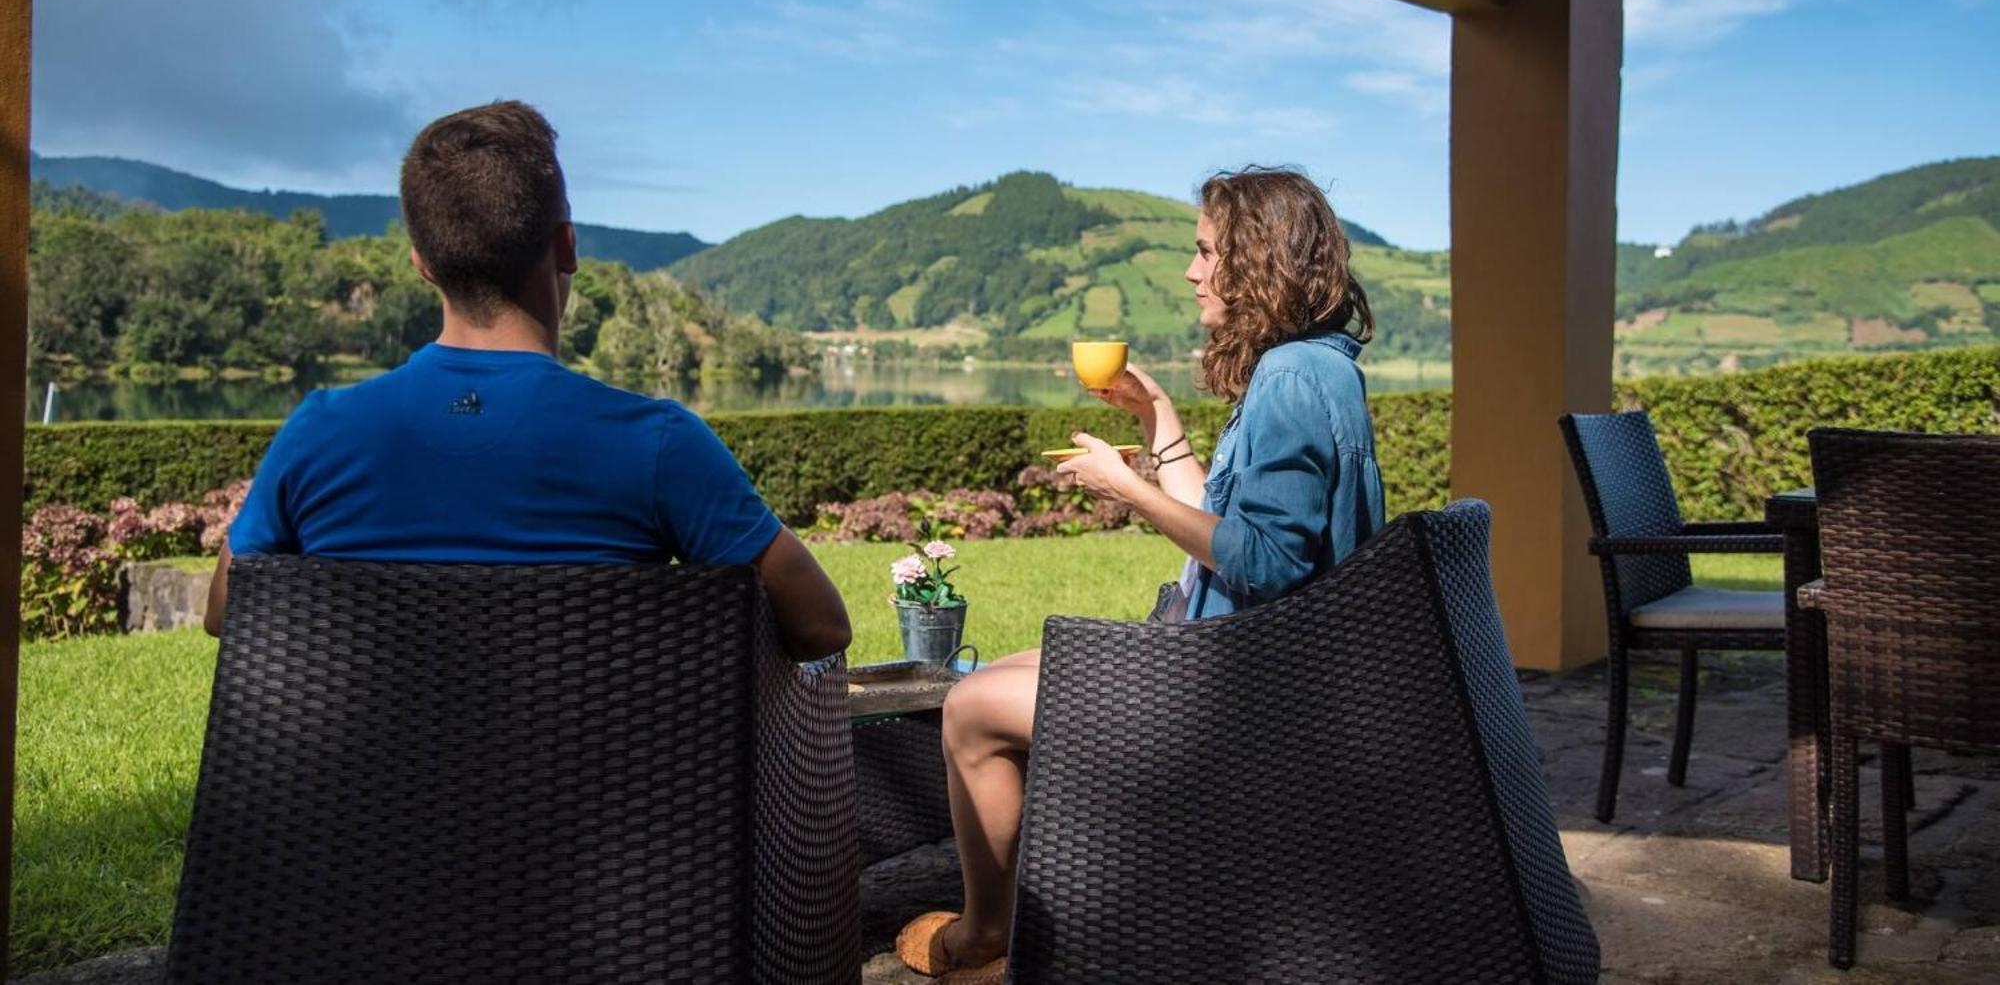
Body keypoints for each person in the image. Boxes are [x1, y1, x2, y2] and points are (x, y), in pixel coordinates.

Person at [896, 167, 1385, 983]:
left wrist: (1126, 489)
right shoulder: (1311, 365)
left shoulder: (1291, 380)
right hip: (1254, 661)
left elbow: (1263, 562)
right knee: (1009, 667)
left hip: (1238, 690)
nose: (1192, 271)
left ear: (1257, 258)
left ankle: (985, 937)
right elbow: (1232, 532)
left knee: (972, 704)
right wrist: (1158, 418)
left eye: (1205, 252)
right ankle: (1028, 909)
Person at [203, 101, 850, 662]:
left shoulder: (318, 431)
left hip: (354, 804)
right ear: (567, 245)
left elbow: (227, 611)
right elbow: (822, 626)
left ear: (422, 264)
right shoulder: (658, 443)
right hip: (612, 803)